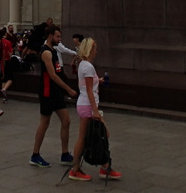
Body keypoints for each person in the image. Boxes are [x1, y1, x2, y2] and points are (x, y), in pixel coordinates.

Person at [68, 37, 121, 181]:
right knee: (100, 134)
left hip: (84, 103)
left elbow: (87, 85)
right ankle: (82, 168)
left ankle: (98, 166)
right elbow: (90, 90)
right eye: (95, 48)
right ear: (90, 50)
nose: (96, 52)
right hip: (88, 105)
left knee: (89, 136)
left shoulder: (82, 64)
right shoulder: (88, 67)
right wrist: (95, 110)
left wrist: (99, 81)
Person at [30, 24, 77, 168]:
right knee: (44, 123)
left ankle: (64, 154)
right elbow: (53, 75)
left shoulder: (54, 51)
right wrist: (68, 89)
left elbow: (59, 72)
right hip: (47, 92)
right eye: (58, 36)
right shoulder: (46, 53)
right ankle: (35, 155)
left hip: (55, 92)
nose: (60, 39)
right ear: (50, 36)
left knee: (66, 121)